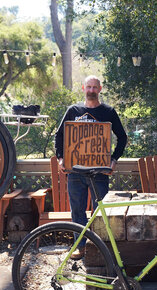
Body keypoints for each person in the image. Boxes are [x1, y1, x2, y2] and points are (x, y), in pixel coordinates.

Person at [55, 75, 127, 259]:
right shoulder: (73, 110)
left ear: (100, 89)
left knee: (100, 213)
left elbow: (122, 137)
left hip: (100, 172)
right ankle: (80, 247)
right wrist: (60, 159)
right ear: (83, 88)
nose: (91, 90)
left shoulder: (108, 112)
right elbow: (59, 135)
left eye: (95, 87)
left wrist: (113, 160)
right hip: (75, 172)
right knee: (77, 211)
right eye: (89, 87)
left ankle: (98, 249)